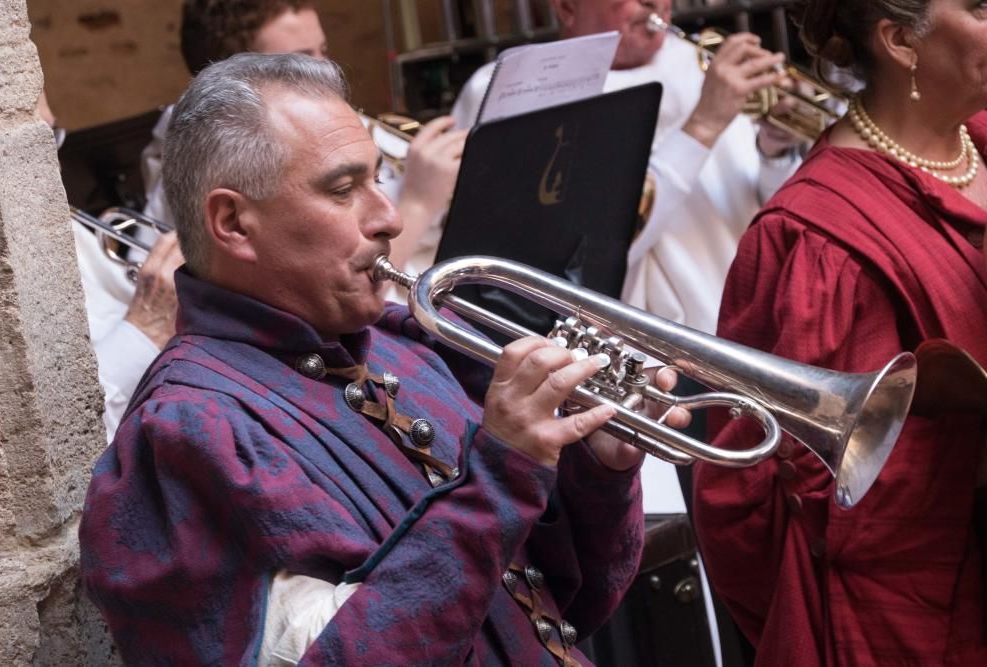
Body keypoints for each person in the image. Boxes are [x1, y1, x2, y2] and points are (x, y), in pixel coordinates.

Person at [79, 52, 687, 665]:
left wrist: (597, 471)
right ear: (233, 221)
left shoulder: (406, 344)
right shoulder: (182, 436)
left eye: (377, 179)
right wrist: (502, 474)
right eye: (343, 189)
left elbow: (557, 602)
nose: (390, 217)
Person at [693, 0, 987, 664]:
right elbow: (753, 503)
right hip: (923, 625)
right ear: (899, 42)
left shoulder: (979, 138)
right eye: (978, 7)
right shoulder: (819, 240)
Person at [451, 0, 805, 336]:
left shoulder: (706, 64)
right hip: (625, 355)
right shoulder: (514, 85)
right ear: (567, 7)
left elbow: (767, 220)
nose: (654, 3)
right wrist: (703, 126)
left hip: (744, 325)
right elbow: (577, 256)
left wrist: (775, 152)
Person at [143, 0, 466, 288]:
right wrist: (419, 203)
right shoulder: (208, 163)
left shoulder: (348, 126)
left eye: (323, 52)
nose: (327, 74)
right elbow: (347, 282)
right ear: (231, 82)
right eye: (299, 63)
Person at [36, 90, 184, 441]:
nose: (55, 164)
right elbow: (60, 439)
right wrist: (147, 329)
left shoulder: (61, 227)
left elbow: (127, 285)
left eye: (51, 137)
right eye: (36, 144)